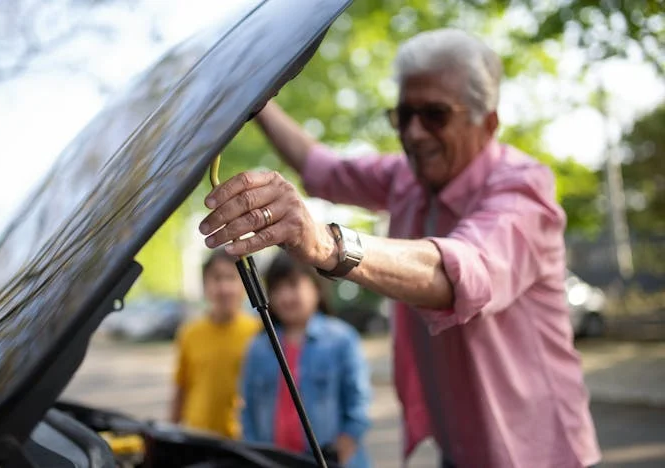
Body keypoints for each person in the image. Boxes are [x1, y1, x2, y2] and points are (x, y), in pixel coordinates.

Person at [198, 28, 601, 467]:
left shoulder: (522, 189)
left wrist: (324, 242)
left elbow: (460, 272)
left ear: (487, 123)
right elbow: (323, 169)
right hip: (458, 452)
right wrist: (257, 99)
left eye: (435, 115)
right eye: (404, 114)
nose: (414, 133)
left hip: (538, 452)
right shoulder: (406, 180)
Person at [240, 251, 372, 468]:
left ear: (316, 287)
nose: (285, 296)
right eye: (277, 288)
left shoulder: (341, 340)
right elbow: (248, 411)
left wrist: (342, 449)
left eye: (293, 285)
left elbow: (358, 406)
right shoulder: (258, 347)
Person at [171, 248, 261, 439]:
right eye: (217, 278)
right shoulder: (189, 333)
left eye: (231, 278)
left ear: (244, 286)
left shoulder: (259, 332)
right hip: (197, 435)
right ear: (205, 286)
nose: (224, 288)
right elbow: (181, 388)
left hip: (242, 438)